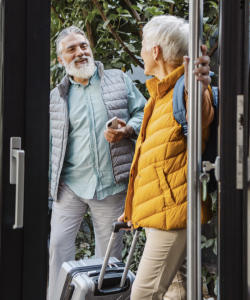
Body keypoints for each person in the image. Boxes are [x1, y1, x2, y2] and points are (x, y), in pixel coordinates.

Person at [117, 15, 214, 299]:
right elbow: (154, 162)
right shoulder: (160, 95)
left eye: (144, 45)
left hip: (172, 215)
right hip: (161, 211)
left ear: (156, 51)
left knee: (144, 293)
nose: (142, 51)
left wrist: (199, 83)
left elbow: (201, 114)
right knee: (176, 290)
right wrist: (135, 209)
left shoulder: (186, 90)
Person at [48, 26, 146, 299]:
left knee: (109, 260)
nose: (80, 52)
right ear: (61, 60)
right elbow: (53, 144)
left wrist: (127, 129)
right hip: (70, 186)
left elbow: (143, 113)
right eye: (72, 49)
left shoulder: (118, 80)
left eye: (83, 46)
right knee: (57, 248)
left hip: (110, 185)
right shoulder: (56, 97)